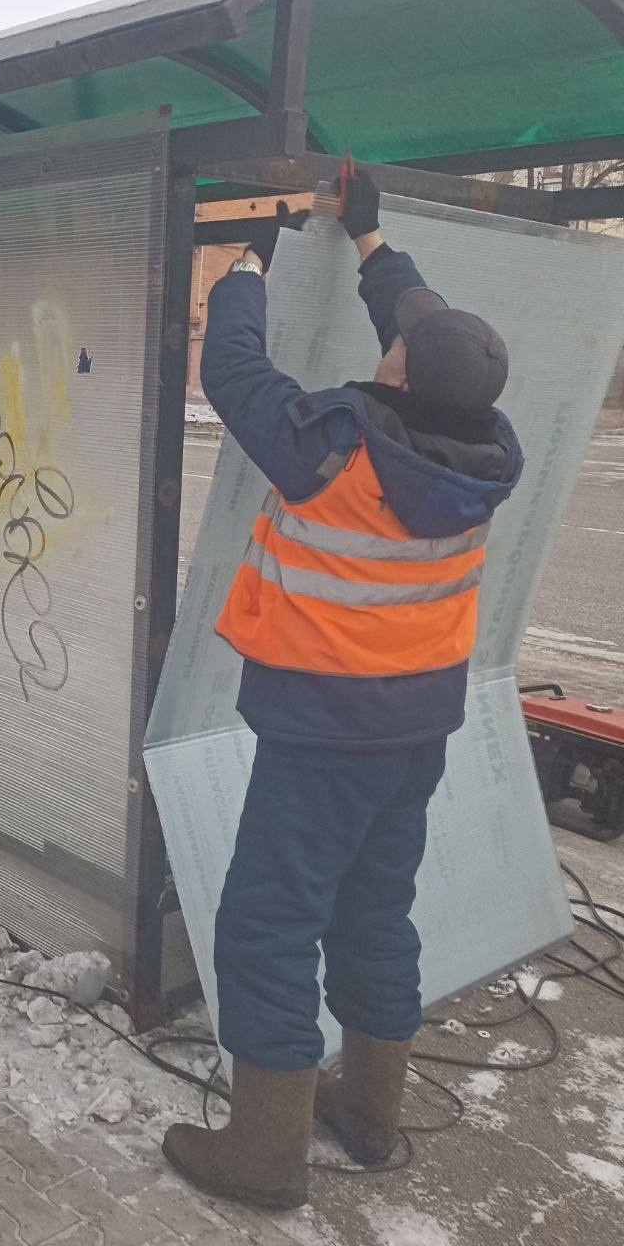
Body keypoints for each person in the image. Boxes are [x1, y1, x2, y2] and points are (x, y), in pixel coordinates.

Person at [162, 173, 523, 1209]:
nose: (397, 339)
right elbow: (424, 323)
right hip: (414, 727)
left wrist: (246, 254)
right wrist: (366, 235)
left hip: (321, 728)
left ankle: (264, 1154)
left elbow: (231, 367)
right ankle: (367, 1111)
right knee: (375, 908)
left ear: (398, 372)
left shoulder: (335, 449)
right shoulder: (486, 449)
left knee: (267, 920)